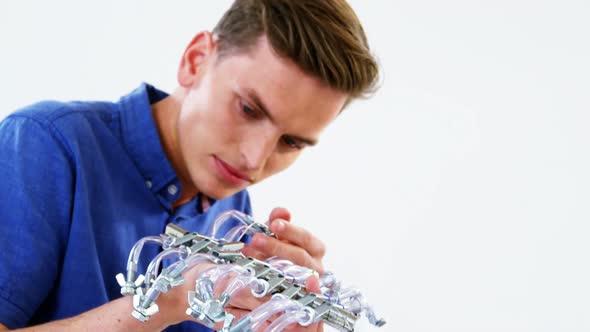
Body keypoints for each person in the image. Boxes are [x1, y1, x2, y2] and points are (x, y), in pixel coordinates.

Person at [0, 0, 379, 331]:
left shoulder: (235, 212)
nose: (254, 159)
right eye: (248, 109)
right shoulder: (46, 144)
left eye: (290, 142)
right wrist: (165, 305)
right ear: (195, 61)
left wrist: (276, 319)